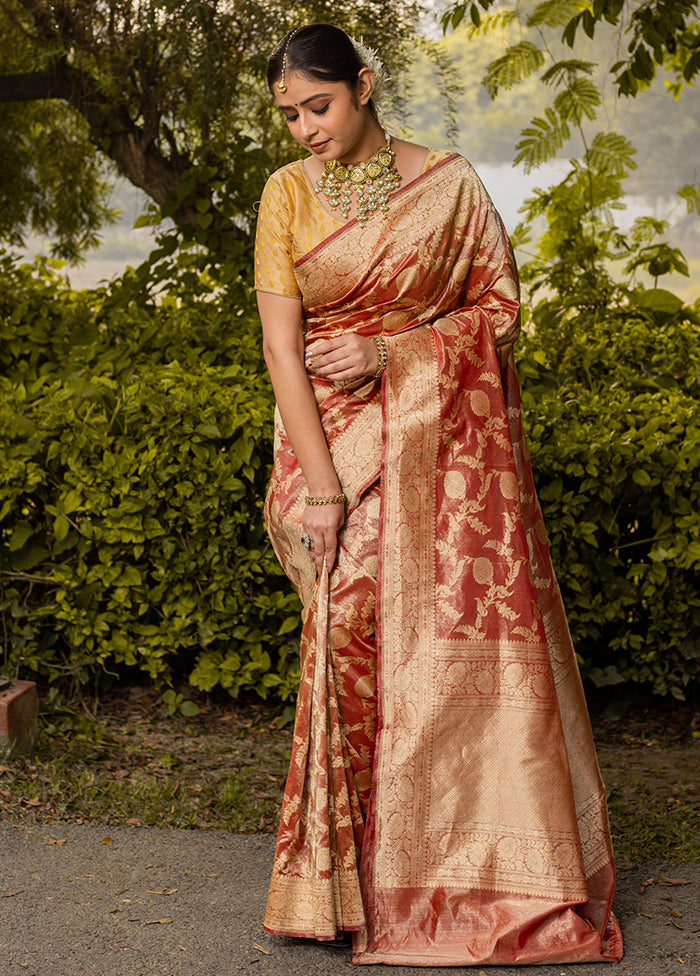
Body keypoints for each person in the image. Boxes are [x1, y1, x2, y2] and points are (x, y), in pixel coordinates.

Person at [254, 23, 623, 967]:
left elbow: (498, 313)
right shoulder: (285, 195)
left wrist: (395, 355)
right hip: (327, 448)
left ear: (365, 86)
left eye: (318, 105)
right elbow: (281, 350)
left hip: (433, 439)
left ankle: (445, 870)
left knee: (406, 627)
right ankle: (342, 879)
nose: (304, 129)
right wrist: (326, 490)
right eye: (289, 114)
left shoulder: (450, 185)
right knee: (342, 633)